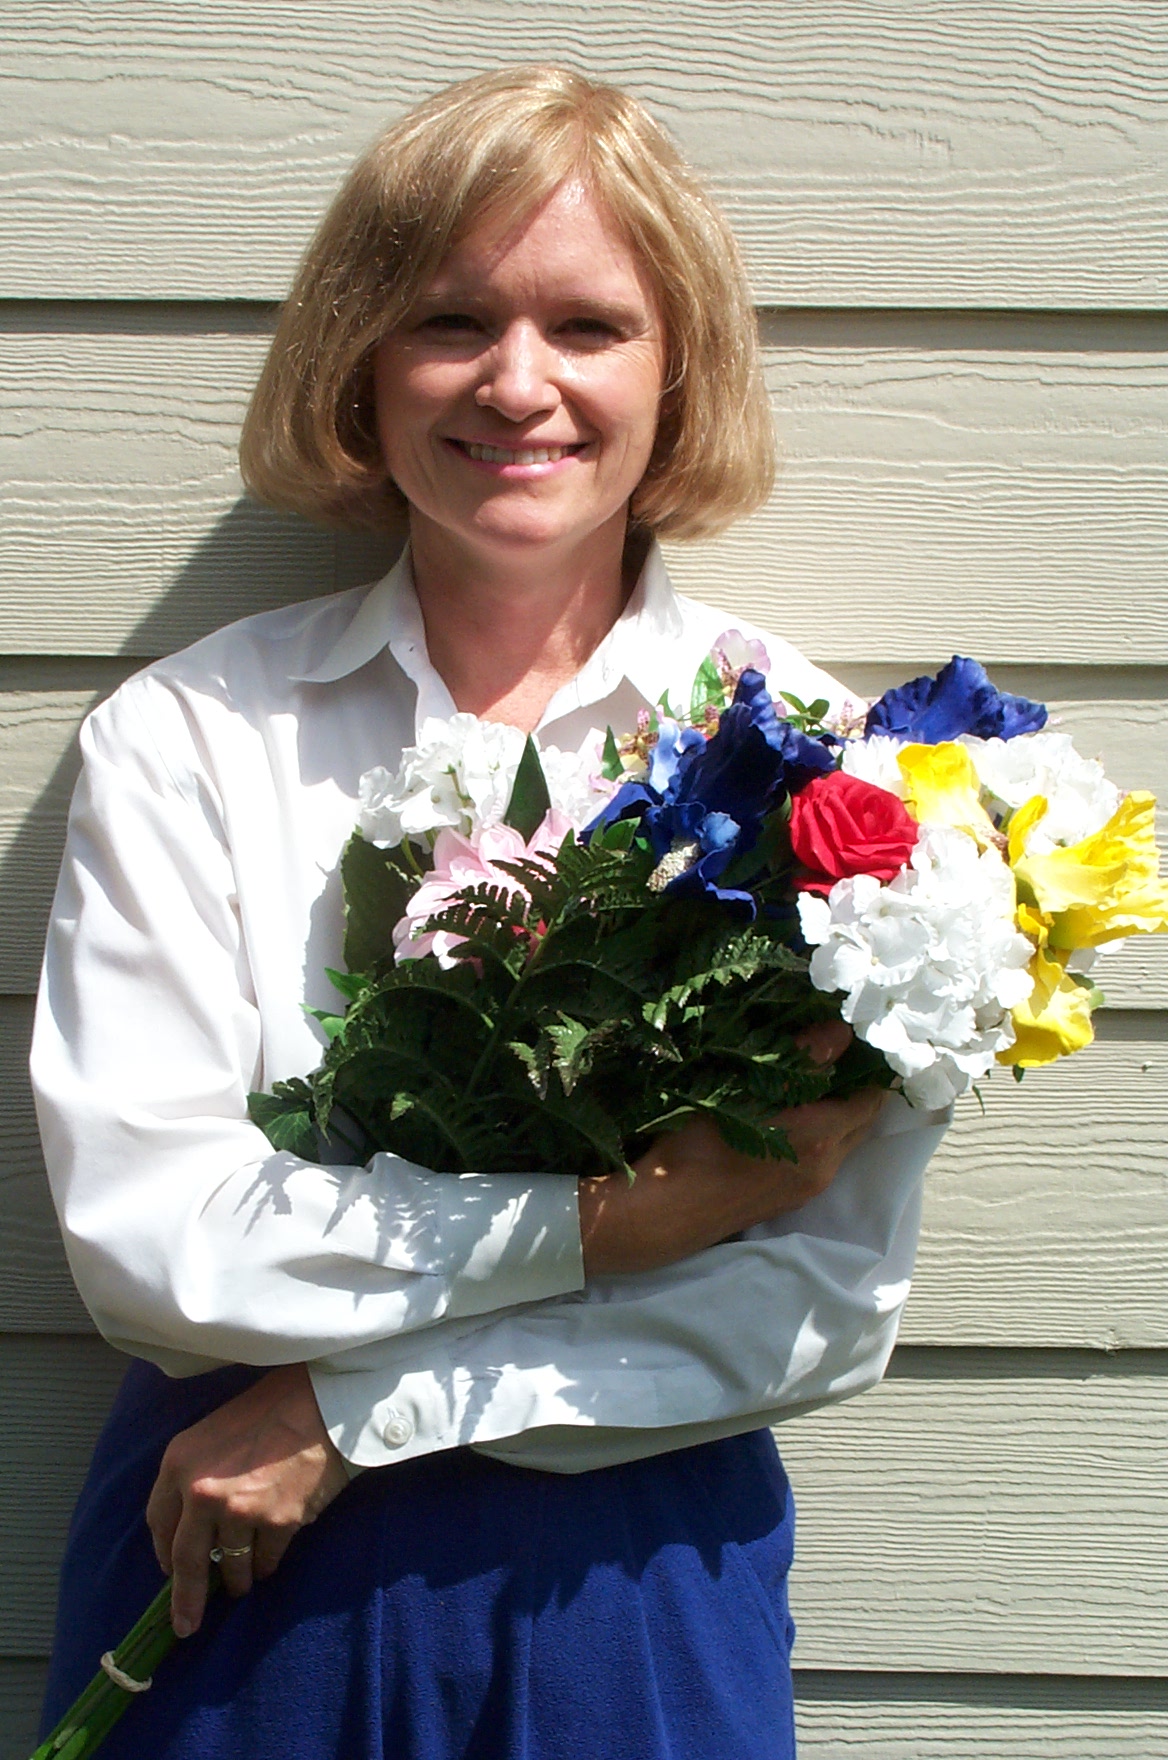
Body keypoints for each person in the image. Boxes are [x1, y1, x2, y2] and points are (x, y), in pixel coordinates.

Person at [32, 66, 949, 1759]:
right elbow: (154, 1242)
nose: (518, 382)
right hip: (227, 1562)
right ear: (360, 361)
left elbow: (816, 1300)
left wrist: (358, 1405)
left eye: (589, 326)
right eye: (451, 319)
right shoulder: (194, 737)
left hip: (625, 1572)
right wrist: (614, 1225)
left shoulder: (824, 775)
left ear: (678, 372)